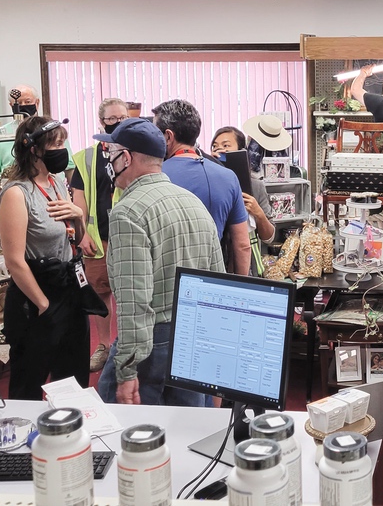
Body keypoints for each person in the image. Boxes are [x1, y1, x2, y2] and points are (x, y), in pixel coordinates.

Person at [94, 118, 224, 406]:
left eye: (111, 154)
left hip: (151, 342)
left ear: (125, 157)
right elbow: (217, 279)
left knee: (126, 434)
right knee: (189, 433)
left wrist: (127, 369)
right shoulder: (192, 202)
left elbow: (133, 300)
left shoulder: (128, 211)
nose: (109, 162)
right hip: (195, 334)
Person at [0, 115, 89, 400]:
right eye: (55, 144)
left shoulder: (57, 181)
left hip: (69, 286)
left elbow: (74, 236)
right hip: (36, 294)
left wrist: (79, 217)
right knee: (29, 383)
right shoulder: (17, 193)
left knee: (73, 382)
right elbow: (14, 261)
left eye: (63, 142)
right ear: (33, 149)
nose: (62, 150)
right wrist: (44, 306)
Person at [153, 100, 251, 275]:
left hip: (166, 279)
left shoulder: (154, 177)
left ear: (168, 137)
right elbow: (243, 245)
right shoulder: (228, 177)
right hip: (214, 279)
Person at [71, 97, 127, 372]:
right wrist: (81, 234)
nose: (117, 123)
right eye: (111, 119)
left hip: (129, 236)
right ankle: (104, 346)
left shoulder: (136, 154)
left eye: (122, 118)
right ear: (101, 121)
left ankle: (128, 348)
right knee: (101, 293)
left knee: (132, 293)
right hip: (98, 239)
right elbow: (79, 201)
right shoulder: (86, 157)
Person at [211, 125, 276, 276]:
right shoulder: (208, 182)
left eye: (226, 145)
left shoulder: (255, 185)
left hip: (249, 267)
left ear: (241, 151)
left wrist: (258, 212)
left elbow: (269, 237)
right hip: (216, 263)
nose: (219, 150)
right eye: (214, 147)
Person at [0, 85, 74, 183]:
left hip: (53, 188)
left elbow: (70, 168)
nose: (23, 106)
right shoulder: (0, 134)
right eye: (19, 103)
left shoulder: (52, 131)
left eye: (27, 102)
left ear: (37, 102)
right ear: (11, 105)